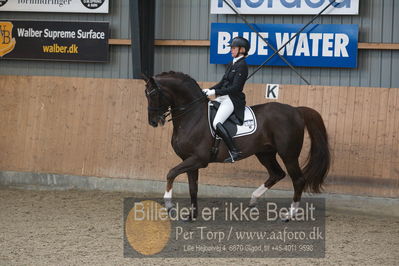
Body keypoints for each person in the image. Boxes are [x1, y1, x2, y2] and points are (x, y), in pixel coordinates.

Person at [203, 36, 250, 163]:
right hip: (223, 97)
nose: (231, 50)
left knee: (216, 122)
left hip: (233, 99)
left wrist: (215, 92)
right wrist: (209, 90)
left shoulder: (242, 66)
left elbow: (235, 88)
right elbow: (223, 81)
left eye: (233, 48)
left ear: (242, 49)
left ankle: (234, 151)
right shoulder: (232, 63)